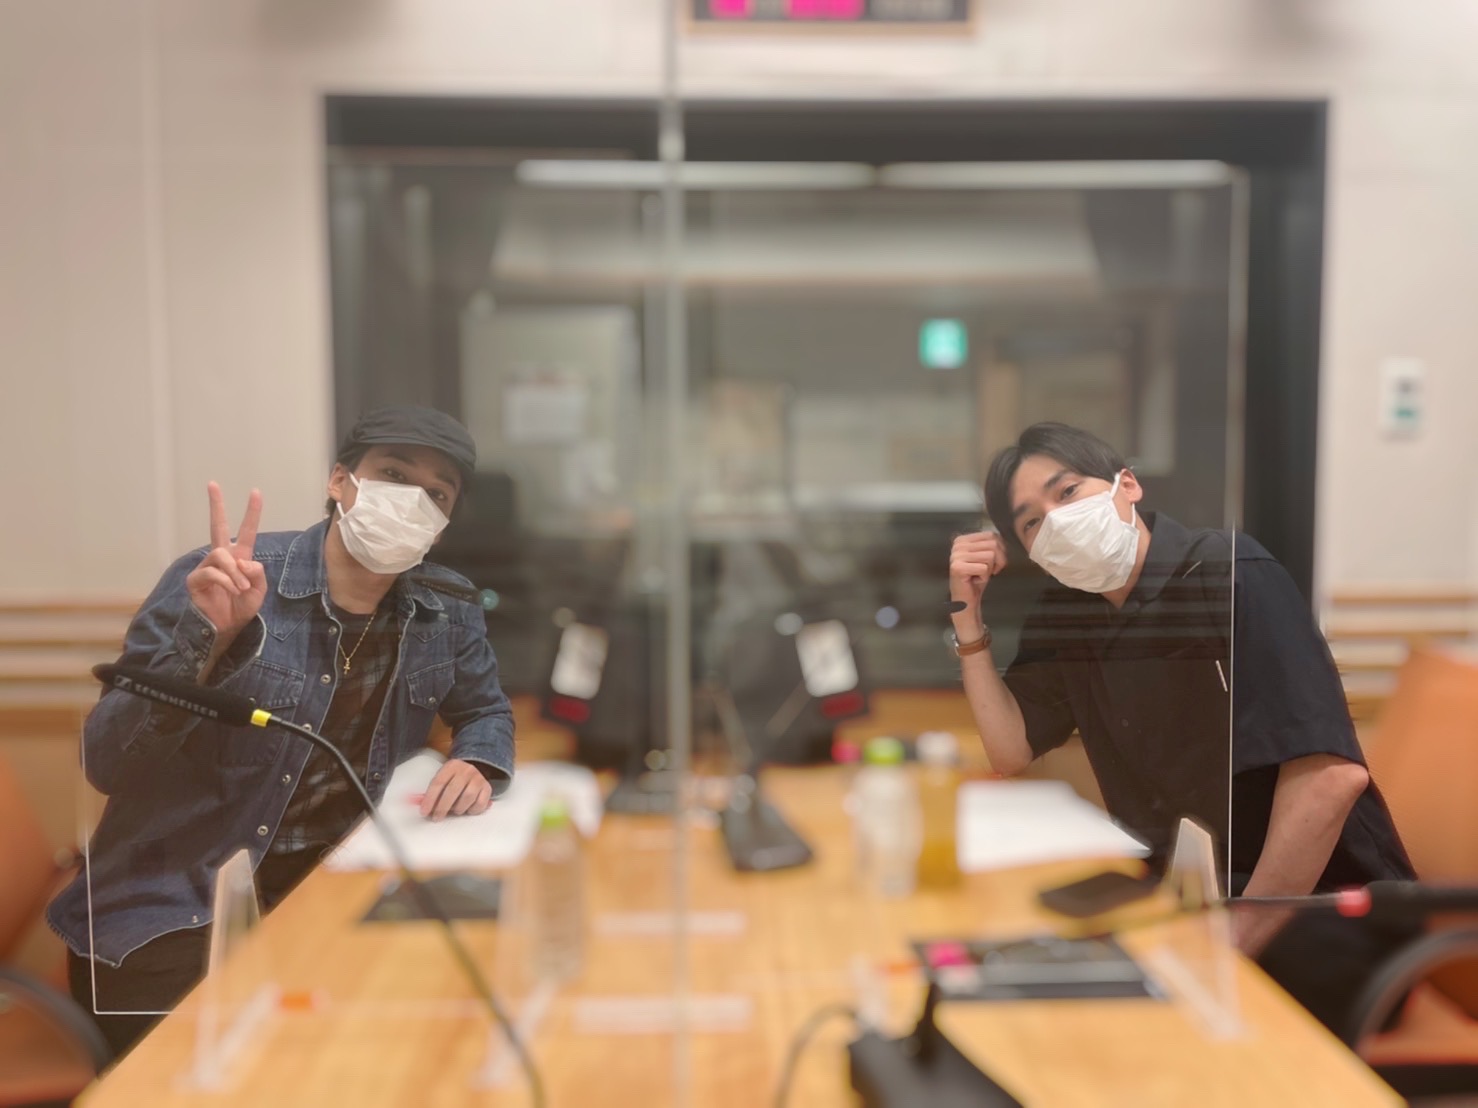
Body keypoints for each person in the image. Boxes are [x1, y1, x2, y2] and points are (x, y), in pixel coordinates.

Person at [49, 406, 516, 1060]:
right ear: (339, 481)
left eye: (436, 495)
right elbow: (107, 762)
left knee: (439, 1030)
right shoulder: (226, 579)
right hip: (175, 913)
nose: (412, 501)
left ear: (442, 525)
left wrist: (479, 760)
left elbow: (487, 712)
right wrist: (211, 641)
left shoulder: (449, 606)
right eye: (393, 475)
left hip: (326, 895)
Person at [949, 422, 1415, 1034]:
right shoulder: (1070, 615)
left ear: (1127, 486)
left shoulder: (1230, 572)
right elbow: (1009, 750)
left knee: (1115, 1033)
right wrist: (967, 619)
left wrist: (1233, 939)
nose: (1056, 521)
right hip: (1191, 904)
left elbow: (1331, 779)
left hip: (1323, 912)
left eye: (1067, 493)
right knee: (1020, 988)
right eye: (1032, 522)